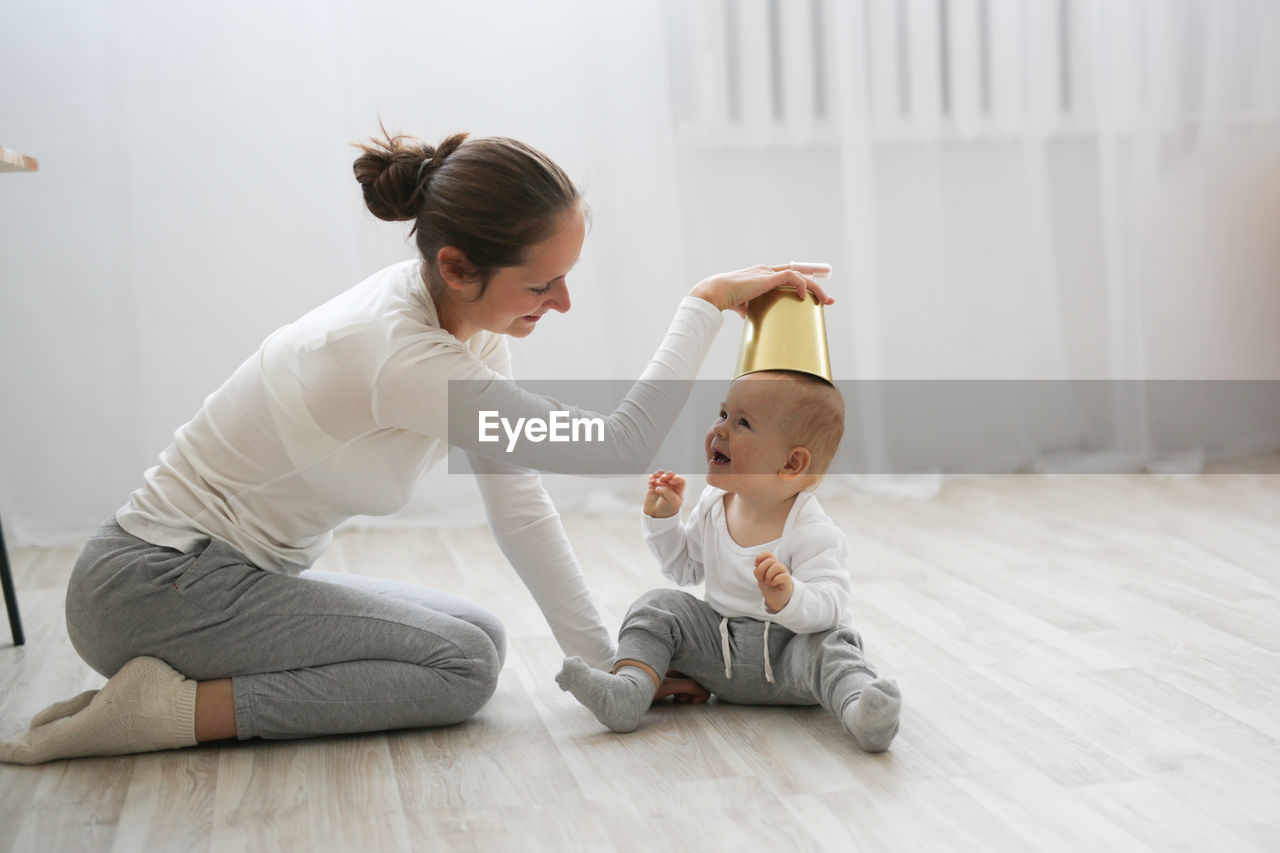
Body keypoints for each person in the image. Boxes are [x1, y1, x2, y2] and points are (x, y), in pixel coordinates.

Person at [0, 130, 832, 764]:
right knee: (463, 668)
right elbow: (622, 442)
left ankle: (180, 689)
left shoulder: (465, 327)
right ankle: (161, 713)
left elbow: (521, 506)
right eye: (543, 284)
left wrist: (611, 666)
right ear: (457, 262)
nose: (565, 302)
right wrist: (705, 302)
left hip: (211, 577)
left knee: (476, 635)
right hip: (153, 586)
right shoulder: (400, 355)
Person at [555, 370, 902, 752]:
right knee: (657, 605)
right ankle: (629, 692)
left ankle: (860, 712)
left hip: (792, 661)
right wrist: (664, 520)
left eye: (742, 423)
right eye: (723, 414)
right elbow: (683, 569)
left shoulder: (813, 529)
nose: (719, 430)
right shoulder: (713, 504)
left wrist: (790, 598)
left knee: (834, 647)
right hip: (721, 655)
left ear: (792, 464)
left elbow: (830, 607)